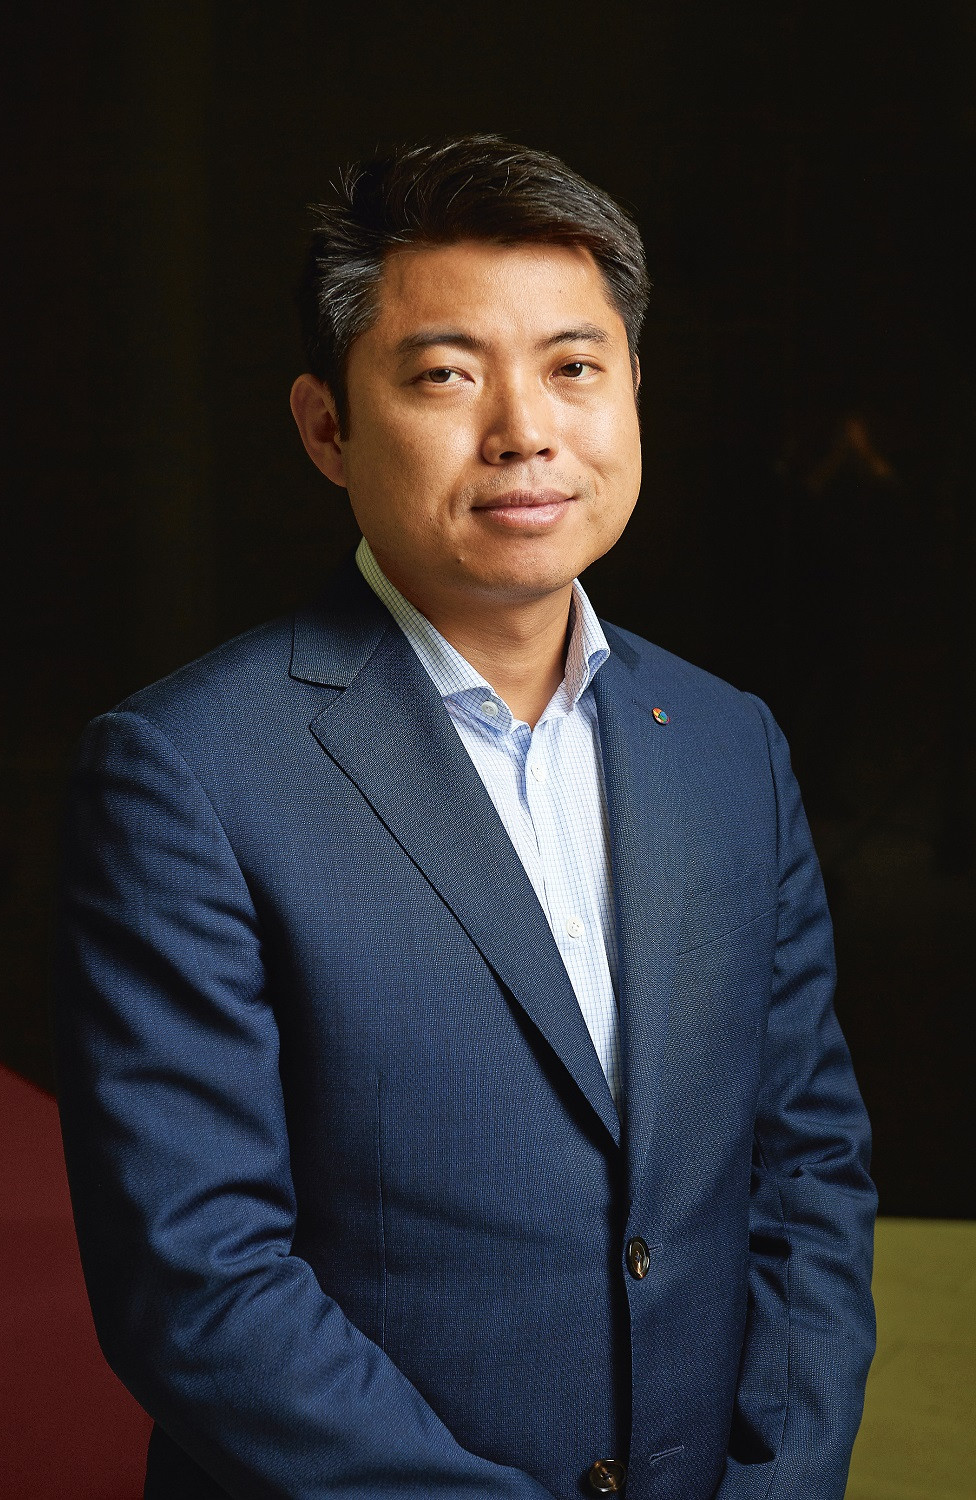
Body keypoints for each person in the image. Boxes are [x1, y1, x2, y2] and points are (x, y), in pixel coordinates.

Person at [54, 135, 877, 1500]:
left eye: (574, 366)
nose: (525, 432)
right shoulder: (185, 773)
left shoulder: (728, 741)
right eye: (446, 374)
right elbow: (198, 1285)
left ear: (632, 388)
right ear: (327, 427)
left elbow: (809, 1169)